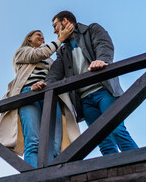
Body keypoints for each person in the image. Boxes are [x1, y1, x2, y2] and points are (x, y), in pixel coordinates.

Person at [32, 10, 138, 155]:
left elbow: (104, 45)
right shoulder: (63, 51)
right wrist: (45, 84)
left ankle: (141, 164)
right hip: (84, 100)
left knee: (117, 130)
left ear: (66, 21)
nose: (54, 30)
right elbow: (55, 72)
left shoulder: (92, 30)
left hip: (103, 91)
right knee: (102, 140)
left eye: (56, 25)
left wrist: (102, 60)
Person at [0, 27, 81, 168]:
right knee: (33, 141)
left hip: (52, 96)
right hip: (29, 94)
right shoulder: (22, 52)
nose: (42, 37)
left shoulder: (50, 59)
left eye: (43, 36)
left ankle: (53, 176)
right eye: (38, 35)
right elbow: (39, 54)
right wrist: (60, 39)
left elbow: (59, 73)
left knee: (55, 144)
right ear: (29, 38)